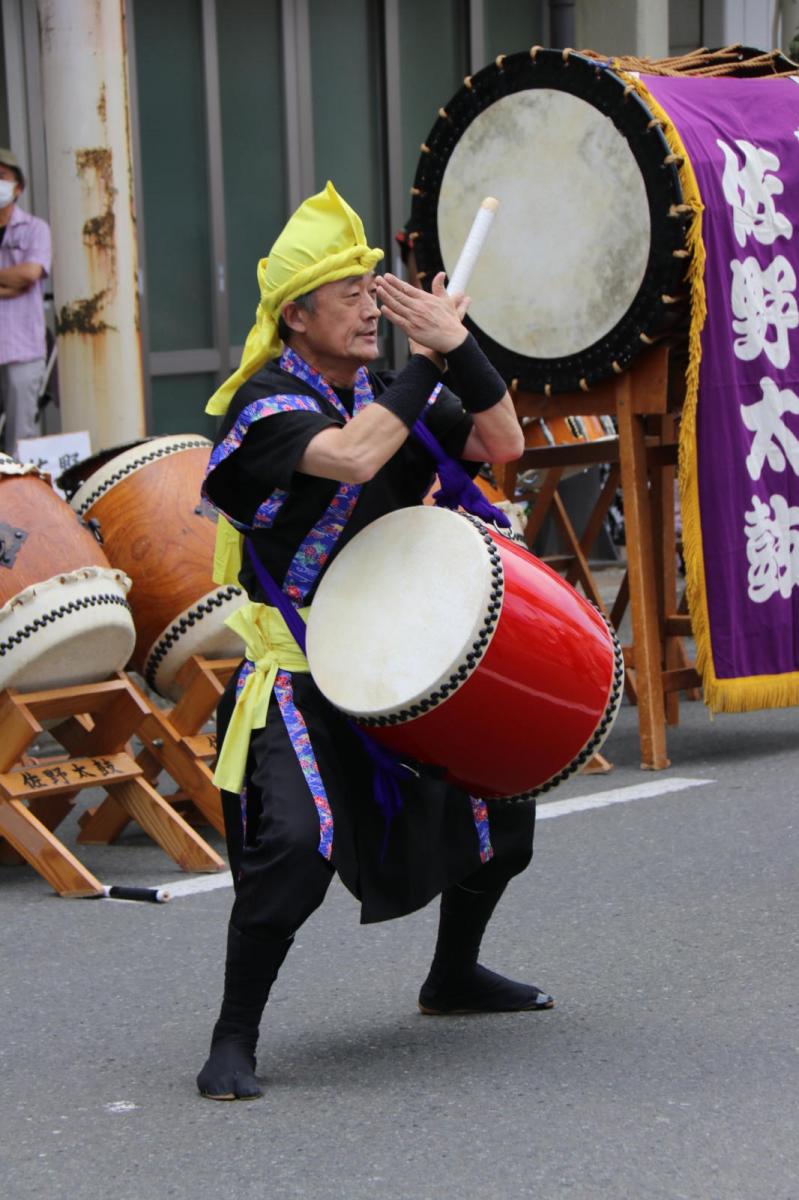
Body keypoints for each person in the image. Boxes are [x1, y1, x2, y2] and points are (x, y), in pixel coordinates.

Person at [198, 182, 553, 1103]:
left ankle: (453, 977)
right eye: (350, 294)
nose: (369, 307)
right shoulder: (264, 408)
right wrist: (426, 363)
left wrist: (457, 346)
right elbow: (354, 455)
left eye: (374, 289)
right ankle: (232, 1039)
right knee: (294, 851)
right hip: (299, 668)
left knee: (499, 806)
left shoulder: (375, 395)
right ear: (295, 316)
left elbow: (501, 438)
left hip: (397, 660)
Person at [0, 147, 52, 455]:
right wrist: (11, 282)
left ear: (18, 187)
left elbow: (31, 273)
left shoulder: (35, 229)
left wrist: (21, 279)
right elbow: (19, 278)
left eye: (2, 176)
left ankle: (16, 500)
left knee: (21, 438)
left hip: (23, 347)